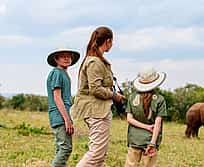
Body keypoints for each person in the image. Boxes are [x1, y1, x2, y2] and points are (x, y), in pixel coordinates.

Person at [71, 26, 123, 166]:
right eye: (112, 41)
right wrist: (114, 95)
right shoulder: (94, 62)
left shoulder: (98, 60)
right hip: (95, 111)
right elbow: (95, 89)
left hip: (100, 110)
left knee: (101, 154)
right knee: (96, 154)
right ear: (108, 41)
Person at [125, 68, 168, 167]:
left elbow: (129, 119)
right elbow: (157, 124)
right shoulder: (160, 99)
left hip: (134, 139)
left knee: (130, 164)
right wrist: (152, 143)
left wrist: (145, 126)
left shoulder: (132, 97)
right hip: (150, 139)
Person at [46, 48, 80, 167]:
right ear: (56, 59)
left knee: (60, 149)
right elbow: (57, 97)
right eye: (63, 56)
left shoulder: (64, 73)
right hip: (60, 115)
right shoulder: (57, 72)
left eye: (69, 56)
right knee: (66, 148)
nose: (67, 58)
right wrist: (67, 119)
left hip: (62, 115)